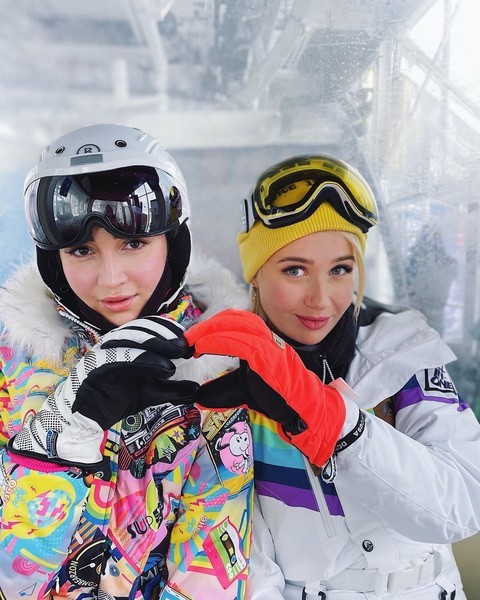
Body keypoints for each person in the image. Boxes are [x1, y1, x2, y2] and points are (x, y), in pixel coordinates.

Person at [185, 154, 480, 599]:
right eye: (295, 270)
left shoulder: (399, 352)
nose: (321, 299)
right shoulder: (225, 377)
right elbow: (246, 562)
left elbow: (461, 506)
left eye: (340, 269)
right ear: (256, 275)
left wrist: (344, 428)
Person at [0, 124, 253, 599]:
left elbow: (211, 566)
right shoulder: (15, 357)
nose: (111, 278)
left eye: (133, 244)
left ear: (173, 241)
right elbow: (10, 578)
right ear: (54, 259)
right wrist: (60, 436)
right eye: (82, 251)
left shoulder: (211, 363)